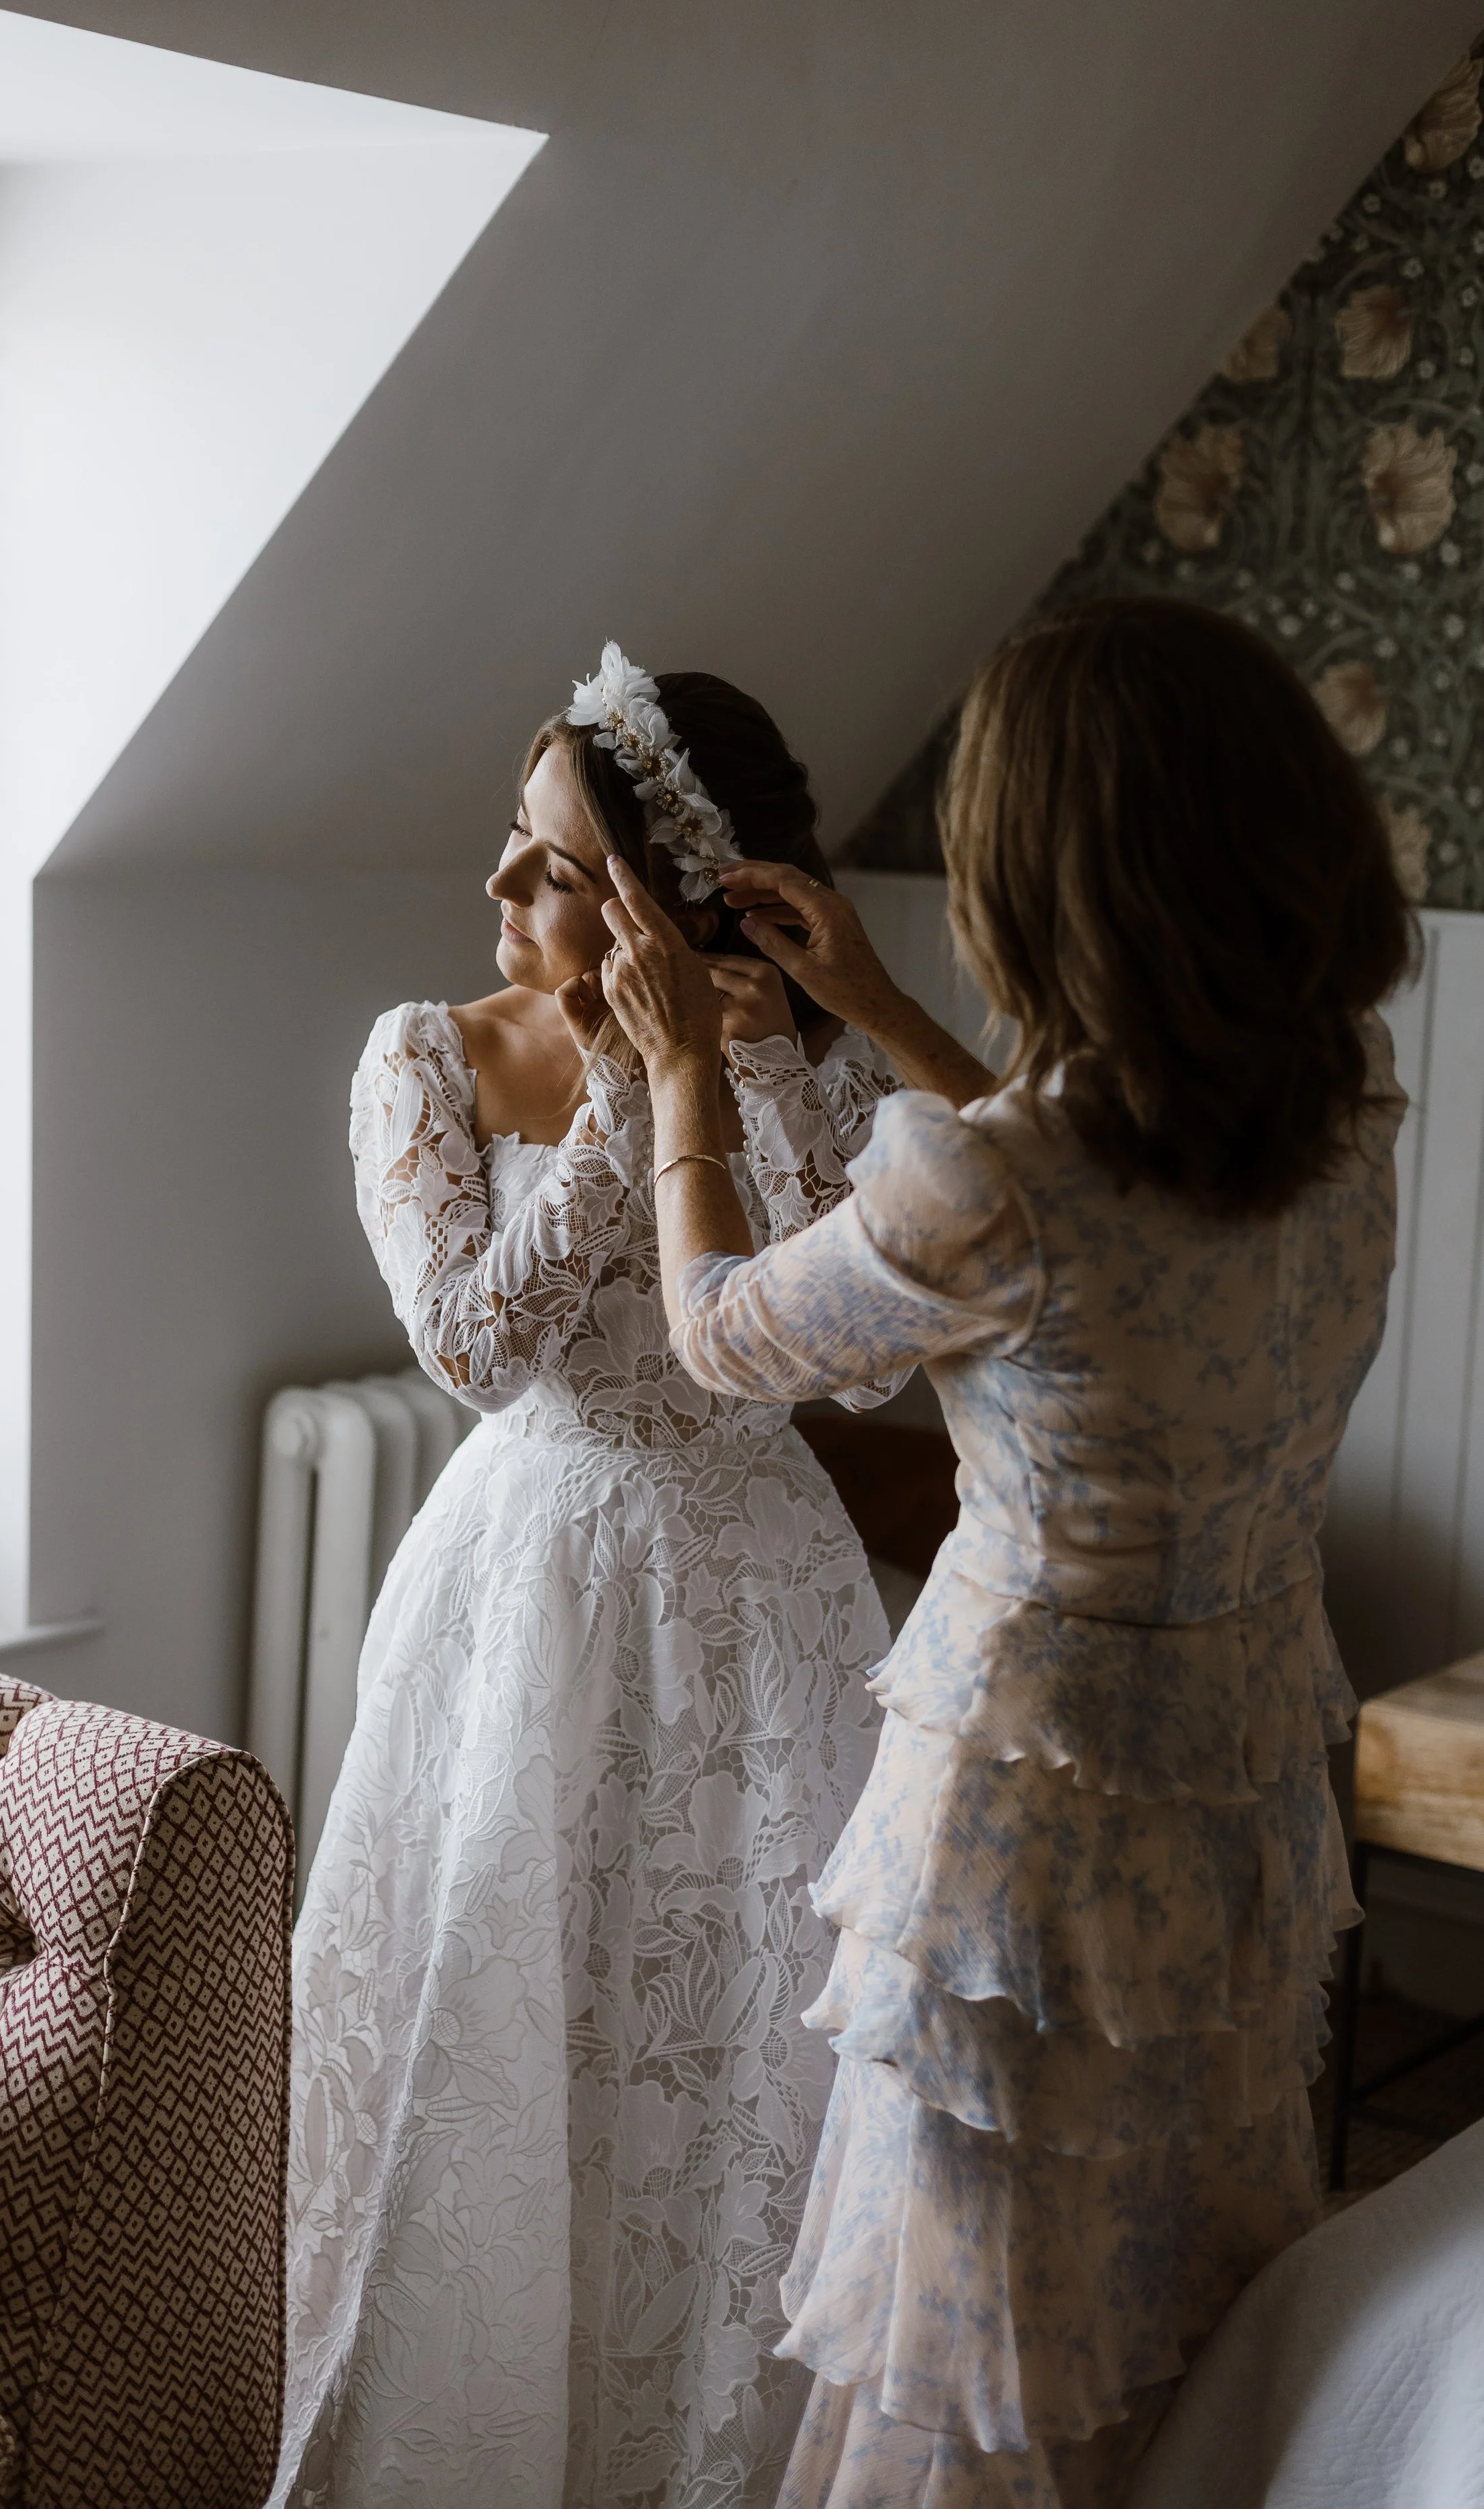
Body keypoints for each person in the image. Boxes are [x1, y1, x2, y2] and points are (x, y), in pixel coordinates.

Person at [596, 596, 1413, 2509]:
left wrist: (676, 1075)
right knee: (1179, 2292)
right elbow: (1088, 1201)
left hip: (1028, 1855)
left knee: (989, 2320)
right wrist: (874, 1009)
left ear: (1048, 879)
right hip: (1228, 1794)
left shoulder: (995, 1178)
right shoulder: (1341, 1110)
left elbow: (723, 1333)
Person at [276, 650, 937, 2508]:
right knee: (496, 2025)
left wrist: (730, 1065)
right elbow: (478, 1347)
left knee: (727, 2063)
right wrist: (622, 1101)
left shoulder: (804, 1050)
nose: (500, 891)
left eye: (551, 865)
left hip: (758, 1601)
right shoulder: (431, 1053)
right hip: (528, 1592)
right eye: (513, 845)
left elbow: (869, 1364)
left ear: (663, 899)